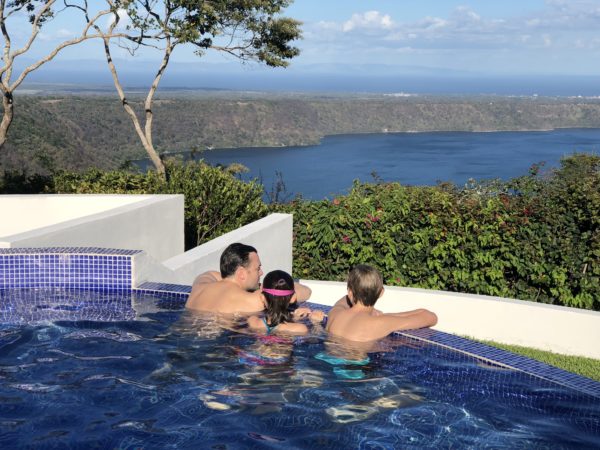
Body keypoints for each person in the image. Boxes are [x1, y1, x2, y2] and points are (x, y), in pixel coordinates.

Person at [185, 243, 311, 314]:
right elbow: (305, 292)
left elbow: (211, 274)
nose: (261, 273)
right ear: (241, 273)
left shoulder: (200, 286)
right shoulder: (249, 300)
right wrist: (266, 286)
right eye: (257, 268)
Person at [326, 264, 437, 342]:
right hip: (354, 372)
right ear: (381, 293)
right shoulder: (380, 322)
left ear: (350, 292)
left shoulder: (335, 314)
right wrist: (387, 316)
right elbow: (430, 317)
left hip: (326, 361)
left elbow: (342, 302)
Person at [247, 270, 324, 335]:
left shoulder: (253, 321)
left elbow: (274, 325)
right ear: (293, 298)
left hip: (253, 352)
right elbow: (315, 340)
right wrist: (316, 323)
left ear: (262, 298)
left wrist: (294, 318)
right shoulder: (300, 329)